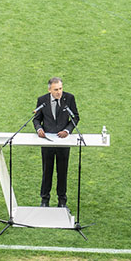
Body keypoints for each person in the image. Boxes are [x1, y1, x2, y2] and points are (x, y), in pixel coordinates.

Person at [33, 77, 79, 208]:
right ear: (49, 90)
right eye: (56, 89)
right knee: (47, 171)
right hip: (47, 142)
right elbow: (36, 119)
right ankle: (44, 200)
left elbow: (75, 117)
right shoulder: (42, 101)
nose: (59, 92)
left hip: (63, 142)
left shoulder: (69, 98)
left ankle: (62, 201)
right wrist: (39, 129)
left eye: (60, 89)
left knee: (62, 171)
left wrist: (67, 130)